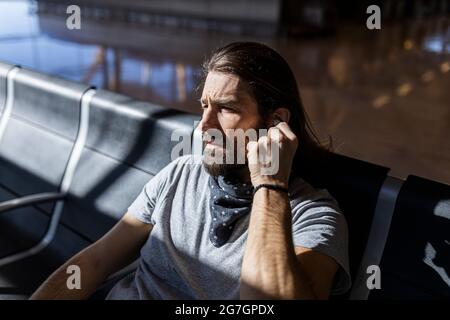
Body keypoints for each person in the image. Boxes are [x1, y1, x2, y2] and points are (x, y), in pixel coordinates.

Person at [31, 42, 350, 300]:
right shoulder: (181, 174)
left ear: (275, 122)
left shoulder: (313, 216)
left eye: (226, 108)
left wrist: (268, 182)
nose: (204, 127)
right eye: (205, 106)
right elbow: (95, 262)